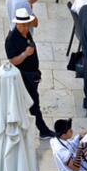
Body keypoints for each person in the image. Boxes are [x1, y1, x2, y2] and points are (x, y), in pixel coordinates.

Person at [5, 8, 54, 139]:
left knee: (30, 103)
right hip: (23, 77)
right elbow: (13, 60)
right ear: (17, 24)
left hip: (32, 75)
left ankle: (36, 129)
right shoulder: (11, 39)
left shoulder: (26, 33)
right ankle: (40, 130)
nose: (26, 28)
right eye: (23, 25)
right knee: (30, 103)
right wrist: (25, 54)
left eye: (27, 24)